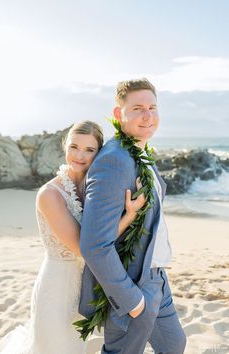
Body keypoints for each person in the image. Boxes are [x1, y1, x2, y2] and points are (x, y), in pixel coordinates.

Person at [0, 121, 145, 354]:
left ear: (99, 153)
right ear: (64, 146)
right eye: (74, 147)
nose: (80, 156)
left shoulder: (96, 190)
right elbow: (84, 247)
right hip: (57, 288)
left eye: (89, 150)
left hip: (86, 285)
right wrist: (130, 215)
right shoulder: (50, 195)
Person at [79, 79, 187, 354]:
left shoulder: (140, 153)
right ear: (119, 114)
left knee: (174, 345)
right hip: (134, 282)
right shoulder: (114, 160)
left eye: (152, 107)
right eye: (137, 108)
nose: (147, 115)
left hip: (157, 277)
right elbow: (94, 245)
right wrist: (132, 300)